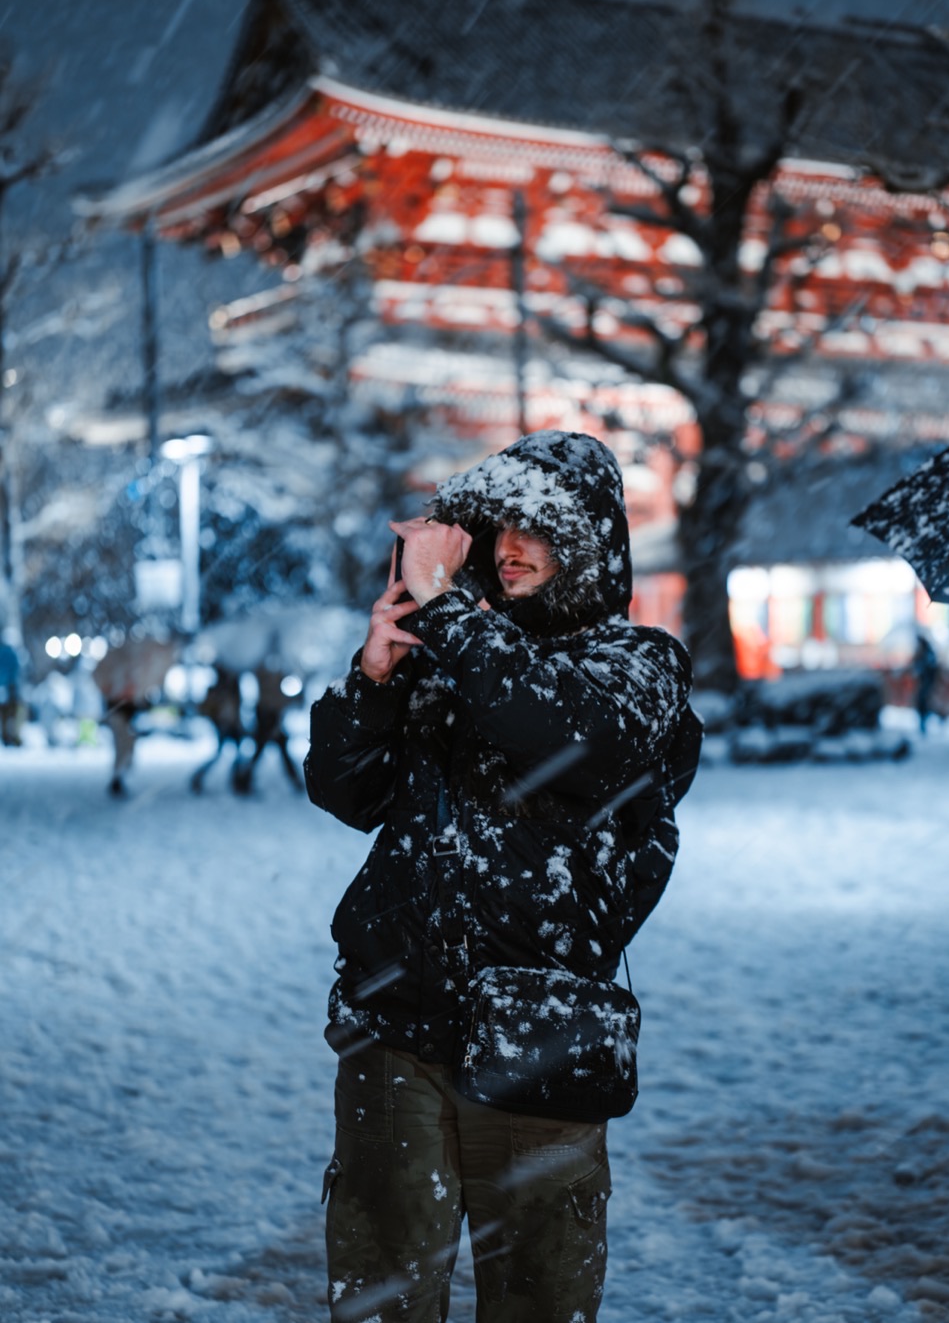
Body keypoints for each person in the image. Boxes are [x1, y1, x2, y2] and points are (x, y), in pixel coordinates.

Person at [304, 430, 699, 1323]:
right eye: (501, 530)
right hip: (394, 1024)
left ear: (591, 545)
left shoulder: (638, 665)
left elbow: (565, 736)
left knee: (538, 1300)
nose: (512, 550)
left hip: (541, 1034)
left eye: (541, 532)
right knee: (380, 1298)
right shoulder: (457, 657)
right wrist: (374, 676)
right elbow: (343, 789)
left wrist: (448, 616)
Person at [234, 663, 304, 794]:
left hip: (272, 716)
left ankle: (244, 781)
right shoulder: (264, 673)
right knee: (265, 752)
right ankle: (244, 781)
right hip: (266, 716)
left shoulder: (276, 673)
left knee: (273, 752)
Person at [190, 665, 246, 793]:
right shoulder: (222, 689)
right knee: (223, 754)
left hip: (231, 724)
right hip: (224, 725)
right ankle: (236, 782)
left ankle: (237, 782)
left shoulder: (232, 688)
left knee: (231, 754)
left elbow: (235, 708)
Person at [912, 631, 940, 734]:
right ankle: (925, 720)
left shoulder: (927, 653)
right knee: (924, 702)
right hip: (925, 682)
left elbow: (929, 667)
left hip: (926, 682)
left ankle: (934, 717)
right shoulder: (925, 652)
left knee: (925, 702)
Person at [0, 629, 22, 747]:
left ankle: (5, 737)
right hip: (11, 688)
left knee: (4, 715)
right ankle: (13, 737)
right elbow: (15, 672)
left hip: (3, 687)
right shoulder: (13, 654)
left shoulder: (1, 652)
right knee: (13, 714)